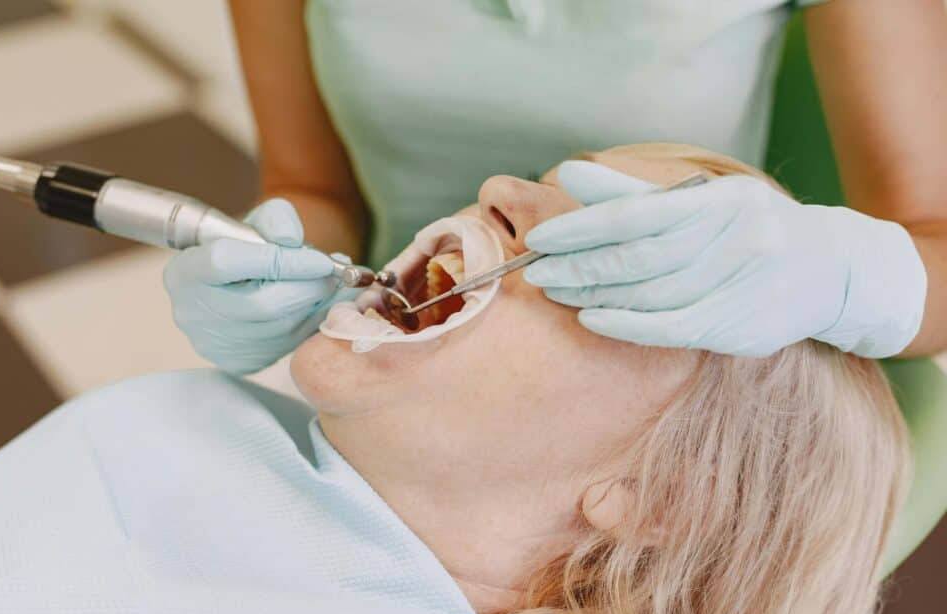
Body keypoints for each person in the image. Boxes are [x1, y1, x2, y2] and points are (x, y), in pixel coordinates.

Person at [0, 146, 910, 614]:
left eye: (607, 258)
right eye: (546, 182)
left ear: (658, 496)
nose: (499, 188)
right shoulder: (209, 424)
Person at [164, 0, 946, 375]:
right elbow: (311, 185)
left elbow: (933, 241)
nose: (497, 191)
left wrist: (837, 273)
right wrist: (276, 260)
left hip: (666, 390)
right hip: (399, 362)